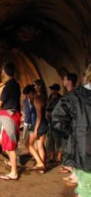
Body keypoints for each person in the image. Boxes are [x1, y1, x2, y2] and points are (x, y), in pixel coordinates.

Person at [52, 65, 91, 197]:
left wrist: (72, 136)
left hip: (84, 152)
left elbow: (57, 120)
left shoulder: (74, 97)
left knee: (85, 189)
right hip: (84, 153)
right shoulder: (74, 97)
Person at [0, 62, 21, 180]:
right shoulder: (16, 84)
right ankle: (12, 162)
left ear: (4, 72)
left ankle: (14, 173)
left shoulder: (8, 86)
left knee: (9, 144)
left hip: (7, 116)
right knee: (7, 141)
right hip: (13, 115)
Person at [27, 79, 48, 174]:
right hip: (44, 123)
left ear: (39, 86)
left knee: (29, 145)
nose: (34, 87)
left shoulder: (37, 99)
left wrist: (35, 130)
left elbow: (39, 116)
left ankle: (40, 163)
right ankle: (42, 168)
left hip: (38, 125)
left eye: (35, 85)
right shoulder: (44, 97)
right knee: (40, 146)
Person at [45, 83, 63, 163]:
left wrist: (52, 113)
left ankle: (59, 156)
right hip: (49, 121)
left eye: (52, 89)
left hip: (56, 121)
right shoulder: (50, 97)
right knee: (50, 138)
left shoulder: (60, 98)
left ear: (56, 90)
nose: (51, 91)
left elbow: (60, 110)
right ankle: (52, 156)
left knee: (57, 139)